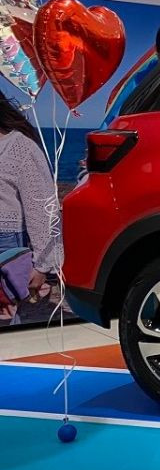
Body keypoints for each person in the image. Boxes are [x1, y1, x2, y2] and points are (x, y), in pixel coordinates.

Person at [0, 94, 62, 313]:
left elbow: (42, 208)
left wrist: (43, 264)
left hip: (5, 246)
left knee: (6, 318)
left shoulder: (19, 147)